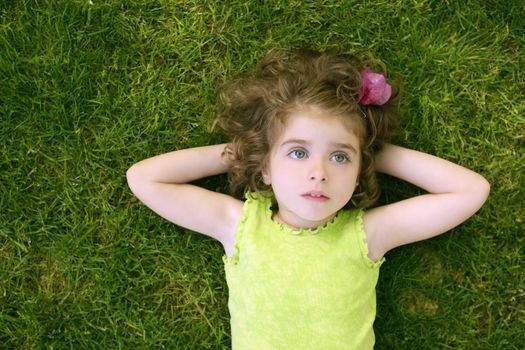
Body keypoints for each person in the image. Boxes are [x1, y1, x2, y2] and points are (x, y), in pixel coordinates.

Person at [126, 49, 490, 349]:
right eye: (298, 153)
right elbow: (144, 178)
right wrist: (247, 150)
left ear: (360, 169)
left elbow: (470, 191)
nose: (319, 172)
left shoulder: (367, 235)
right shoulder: (239, 225)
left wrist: (373, 151)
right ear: (265, 166)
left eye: (340, 157)